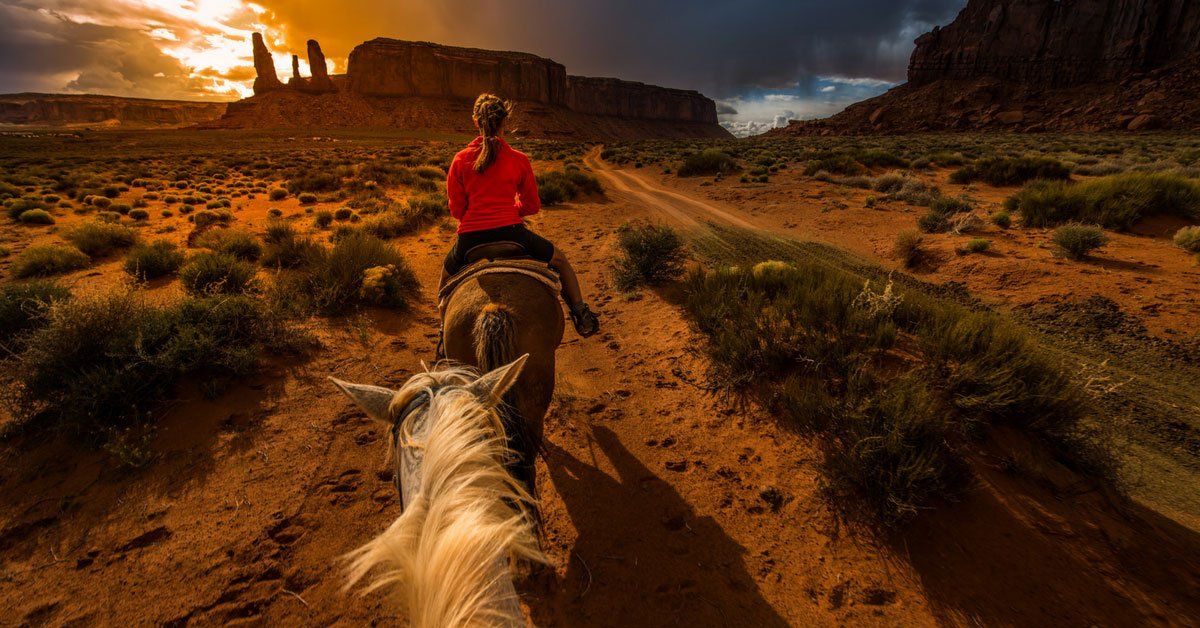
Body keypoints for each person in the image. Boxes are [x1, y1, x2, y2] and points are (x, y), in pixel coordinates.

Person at [440, 93, 600, 337]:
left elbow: (456, 210)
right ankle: (581, 314)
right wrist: (511, 211)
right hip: (512, 234)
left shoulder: (460, 159)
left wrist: (476, 217)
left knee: (443, 287)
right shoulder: (519, 159)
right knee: (561, 262)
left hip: (470, 240)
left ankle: (443, 336)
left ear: (476, 122)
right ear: (505, 121)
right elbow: (532, 205)